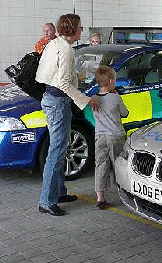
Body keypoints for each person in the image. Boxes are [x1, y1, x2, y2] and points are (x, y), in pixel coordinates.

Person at [35, 14, 101, 216]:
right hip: (58, 102)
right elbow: (63, 84)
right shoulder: (66, 50)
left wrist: (79, 75)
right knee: (56, 151)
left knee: (61, 149)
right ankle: (46, 201)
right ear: (72, 29)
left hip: (50, 98)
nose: (82, 31)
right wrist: (86, 100)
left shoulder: (54, 44)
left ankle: (59, 192)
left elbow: (53, 75)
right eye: (80, 27)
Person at [92, 66, 128, 210]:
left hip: (99, 136)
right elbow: (125, 113)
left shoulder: (94, 100)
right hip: (115, 136)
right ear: (111, 81)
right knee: (118, 164)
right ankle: (123, 192)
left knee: (100, 165)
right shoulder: (115, 98)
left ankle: (100, 198)